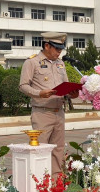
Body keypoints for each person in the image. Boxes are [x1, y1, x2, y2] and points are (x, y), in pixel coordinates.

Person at [19, 32, 79, 176]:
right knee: (41, 149)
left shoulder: (60, 63)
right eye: (57, 49)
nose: (59, 52)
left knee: (58, 149)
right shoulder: (32, 62)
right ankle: (39, 183)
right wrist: (39, 93)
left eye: (61, 49)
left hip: (59, 111)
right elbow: (23, 85)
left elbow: (65, 85)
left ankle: (56, 184)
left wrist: (72, 93)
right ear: (46, 46)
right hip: (42, 112)